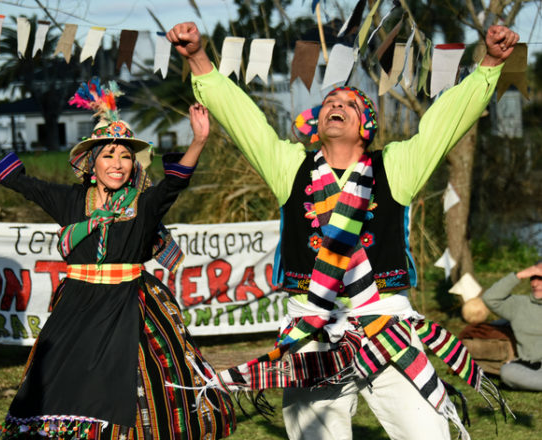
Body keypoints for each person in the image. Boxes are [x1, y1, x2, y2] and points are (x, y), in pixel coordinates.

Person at [167, 21, 518, 440]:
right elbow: (246, 122)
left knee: (428, 433)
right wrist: (197, 59)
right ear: (317, 123)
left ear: (366, 127)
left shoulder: (396, 167)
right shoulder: (289, 167)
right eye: (330, 101)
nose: (335, 104)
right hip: (311, 331)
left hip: (386, 326)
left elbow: (444, 123)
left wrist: (490, 64)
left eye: (349, 104)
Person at [0, 81, 235, 439]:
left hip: (130, 302)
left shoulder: (144, 204)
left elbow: (175, 183)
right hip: (77, 303)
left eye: (125, 156)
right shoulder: (69, 201)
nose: (118, 163)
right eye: (108, 155)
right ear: (92, 164)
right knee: (60, 378)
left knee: (134, 381)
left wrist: (199, 140)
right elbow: (17, 181)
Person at [482, 262, 542, 391]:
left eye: (540, 278)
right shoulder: (519, 305)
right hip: (534, 369)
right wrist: (519, 275)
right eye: (532, 278)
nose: (535, 284)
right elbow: (489, 298)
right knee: (507, 371)